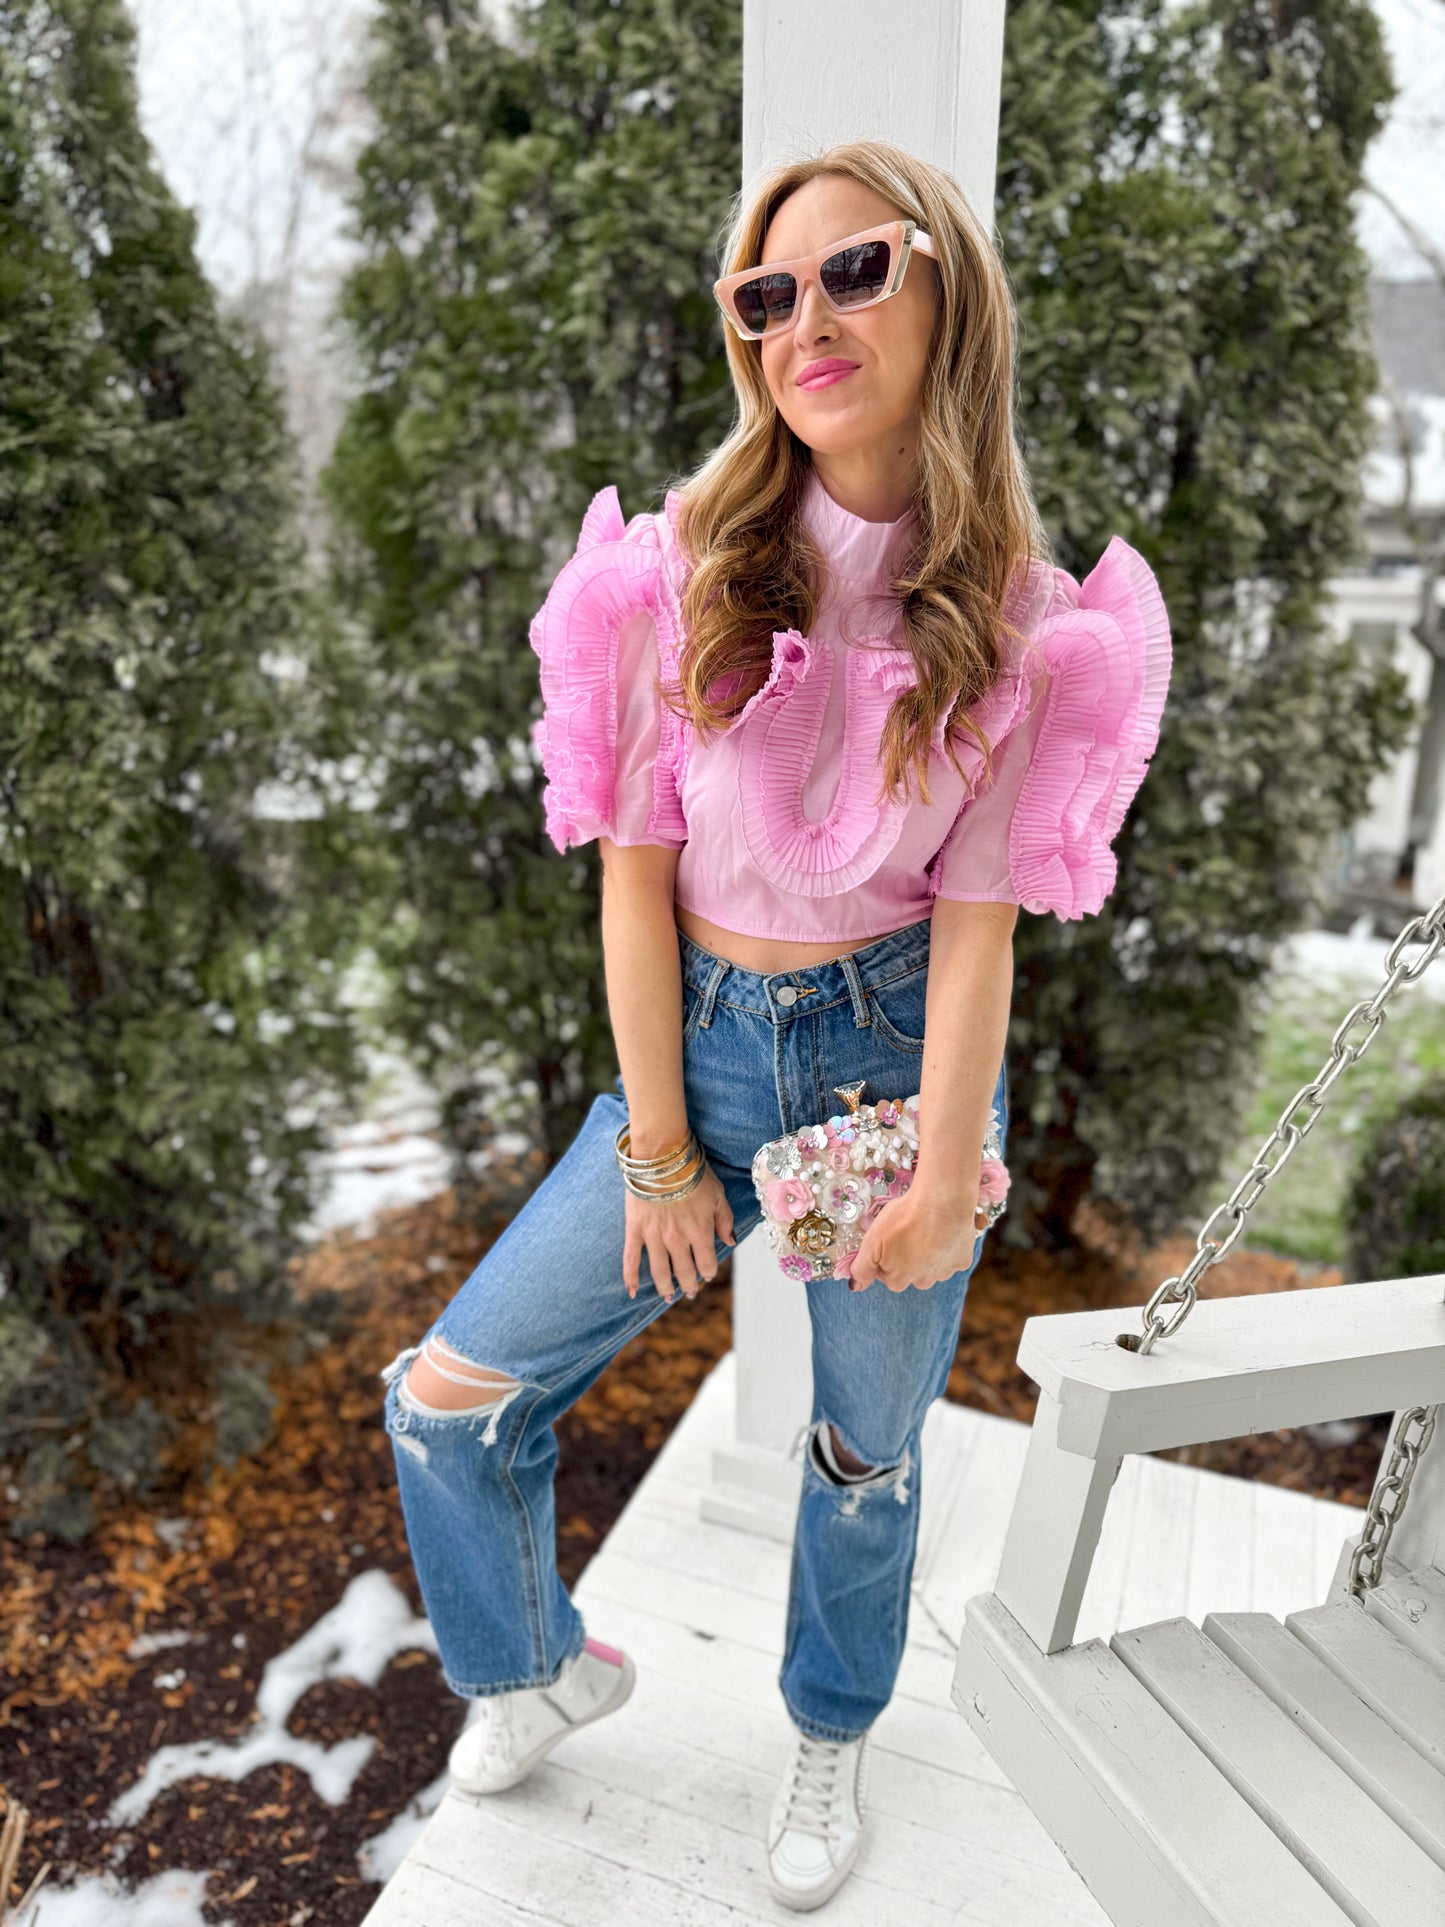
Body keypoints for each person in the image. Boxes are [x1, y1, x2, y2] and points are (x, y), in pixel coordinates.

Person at [381, 137, 1172, 1914]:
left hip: (889, 1061)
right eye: (765, 293)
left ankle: (830, 1728)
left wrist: (947, 1160)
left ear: (942, 287)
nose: (803, 317)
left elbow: (978, 936)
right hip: (705, 1047)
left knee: (862, 1453)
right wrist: (660, 1147)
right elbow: (631, 878)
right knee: (445, 1397)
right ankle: (537, 1668)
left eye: (852, 272)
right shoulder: (678, 573)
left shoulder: (1022, 633)